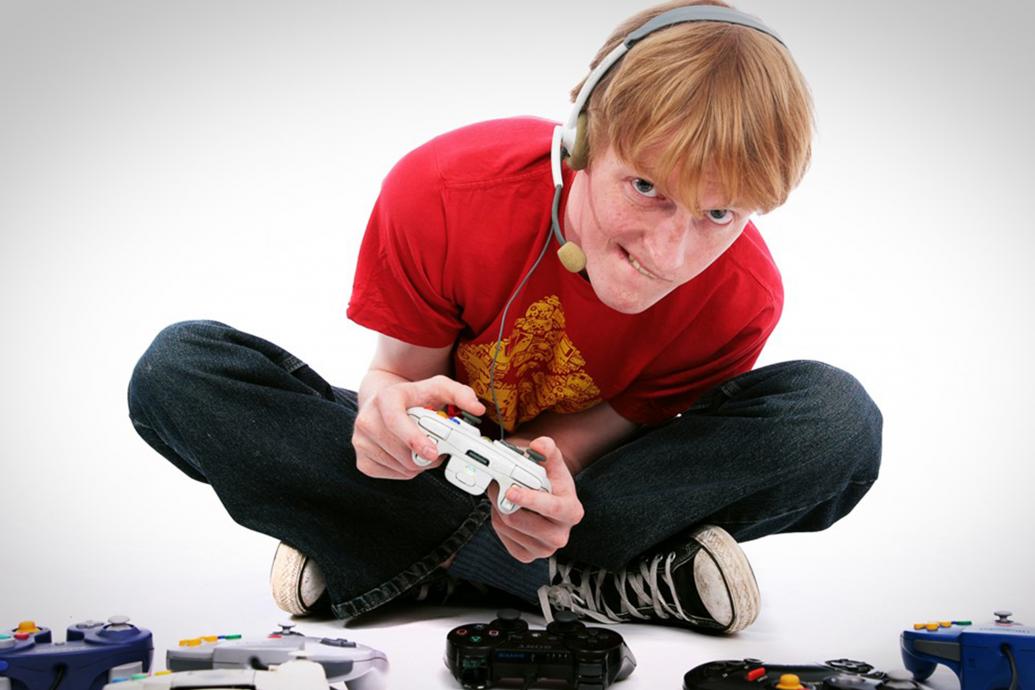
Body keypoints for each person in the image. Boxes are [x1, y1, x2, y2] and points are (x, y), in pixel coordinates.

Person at [127, 0, 882, 634]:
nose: (669, 252)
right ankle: (585, 580)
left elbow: (602, 436)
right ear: (584, 138)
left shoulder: (741, 292)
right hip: (438, 459)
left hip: (585, 485)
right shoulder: (446, 188)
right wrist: (385, 413)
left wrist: (540, 487)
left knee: (834, 420)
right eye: (646, 185)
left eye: (719, 212)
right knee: (180, 370)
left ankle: (395, 556)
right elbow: (400, 376)